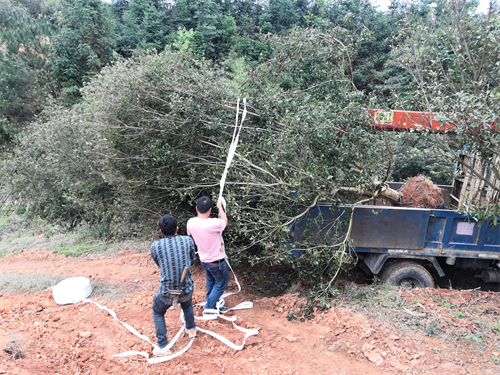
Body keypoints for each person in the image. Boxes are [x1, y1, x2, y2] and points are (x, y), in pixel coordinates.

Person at [150, 214, 197, 356]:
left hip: (167, 293)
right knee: (187, 304)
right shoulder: (187, 241)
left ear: (160, 231)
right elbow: (192, 260)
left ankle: (163, 346)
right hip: (186, 289)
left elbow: (159, 264)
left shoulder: (156, 246)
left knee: (158, 312)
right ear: (177, 228)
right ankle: (191, 329)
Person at [187, 196, 229, 318]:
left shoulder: (191, 222)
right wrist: (220, 207)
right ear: (210, 210)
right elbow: (224, 222)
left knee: (211, 280)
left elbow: (190, 233)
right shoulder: (214, 223)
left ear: (196, 209)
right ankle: (209, 307)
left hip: (204, 261)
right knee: (221, 284)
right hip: (217, 262)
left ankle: (212, 301)